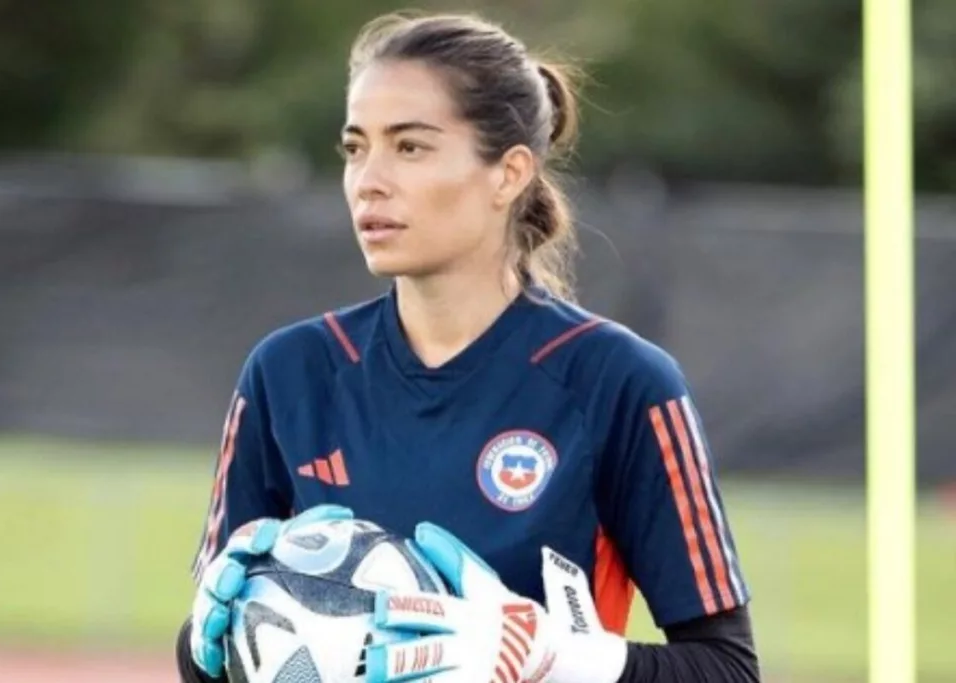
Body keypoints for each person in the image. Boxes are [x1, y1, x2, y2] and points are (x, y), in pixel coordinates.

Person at [176, 11, 760, 683]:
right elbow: (222, 654)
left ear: (509, 173)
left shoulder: (621, 382)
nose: (369, 179)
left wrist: (547, 655)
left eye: (410, 147)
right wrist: (204, 644)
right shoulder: (287, 373)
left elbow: (728, 669)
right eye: (355, 147)